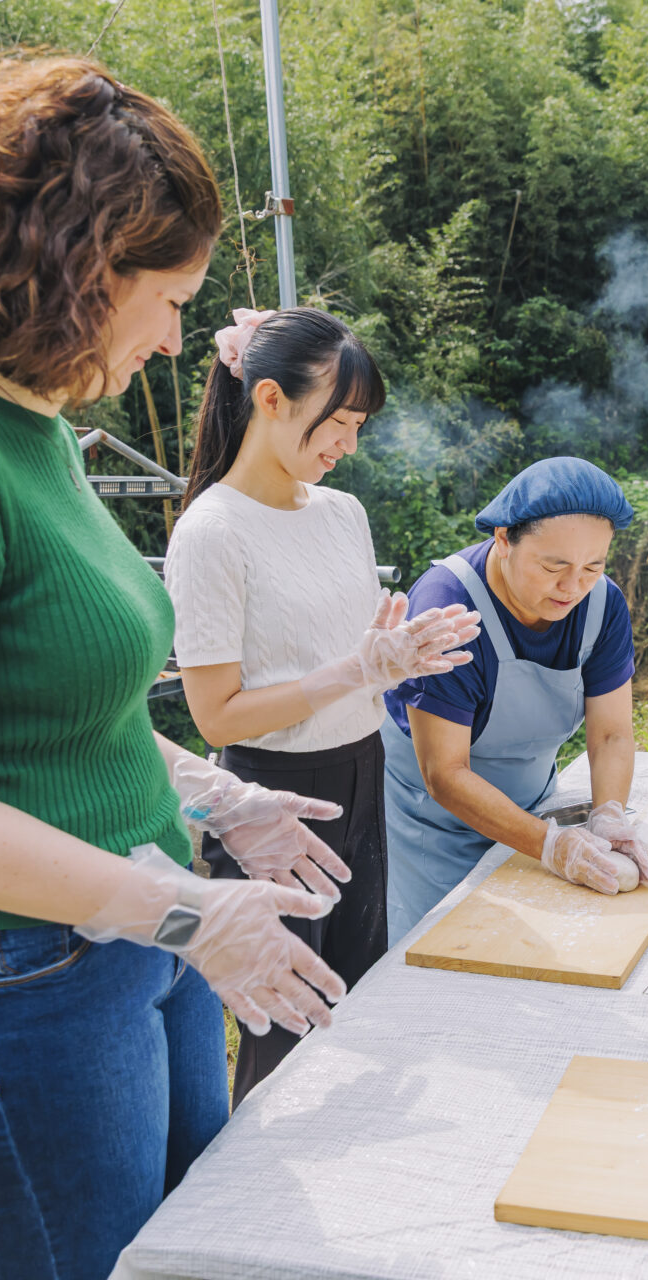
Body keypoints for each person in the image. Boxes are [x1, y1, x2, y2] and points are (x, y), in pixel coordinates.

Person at [0, 58, 354, 1280]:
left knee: (194, 1244)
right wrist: (188, 912)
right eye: (171, 301)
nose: (176, 341)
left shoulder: (35, 428)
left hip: (120, 928)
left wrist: (225, 800)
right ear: (79, 267)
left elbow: (64, 717)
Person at [163, 305, 479, 1104]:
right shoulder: (212, 532)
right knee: (280, 1021)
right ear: (269, 399)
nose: (349, 443)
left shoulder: (343, 513)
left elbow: (350, 664)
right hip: (268, 796)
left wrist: (395, 660)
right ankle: (249, 1206)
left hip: (362, 771)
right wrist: (351, 671)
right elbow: (217, 718)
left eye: (359, 424)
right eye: (336, 421)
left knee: (355, 1000)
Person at [381, 458, 648, 943]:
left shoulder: (601, 604)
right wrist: (550, 847)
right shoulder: (448, 609)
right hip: (434, 829)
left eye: (593, 566)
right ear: (504, 539)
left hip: (534, 812)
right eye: (554, 566)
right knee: (446, 954)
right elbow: (445, 772)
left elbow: (611, 733)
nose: (573, 587)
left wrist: (609, 812)